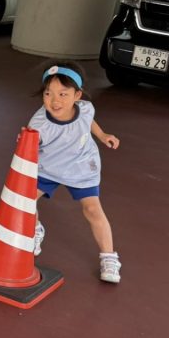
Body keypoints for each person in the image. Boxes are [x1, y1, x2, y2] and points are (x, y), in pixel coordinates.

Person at [28, 62, 123, 283]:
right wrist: (26, 141)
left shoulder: (86, 108)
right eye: (48, 93)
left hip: (81, 167)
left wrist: (103, 135)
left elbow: (88, 121)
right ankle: (35, 229)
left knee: (92, 210)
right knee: (26, 201)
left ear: (77, 95)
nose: (54, 101)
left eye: (63, 94)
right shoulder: (39, 123)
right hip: (49, 168)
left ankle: (109, 257)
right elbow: (30, 145)